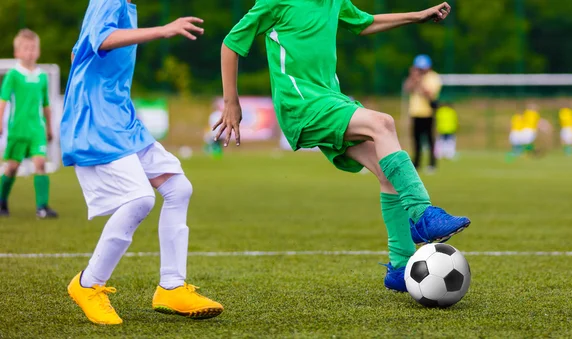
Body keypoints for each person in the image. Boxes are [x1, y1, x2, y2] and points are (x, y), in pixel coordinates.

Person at [215, 0, 470, 294]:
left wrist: (417, 16)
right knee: (383, 124)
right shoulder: (276, 2)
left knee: (385, 170)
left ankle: (400, 266)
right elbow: (231, 44)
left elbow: (365, 23)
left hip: (329, 100)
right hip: (301, 105)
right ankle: (423, 213)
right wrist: (231, 102)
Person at [62, 0, 222, 325]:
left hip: (120, 117)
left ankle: (171, 287)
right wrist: (163, 30)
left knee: (179, 188)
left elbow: (83, 47)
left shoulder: (126, 6)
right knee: (140, 199)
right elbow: (101, 38)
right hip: (96, 122)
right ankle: (88, 283)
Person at [0, 29, 58, 218]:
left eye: (33, 48)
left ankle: (42, 207)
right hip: (18, 129)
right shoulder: (13, 75)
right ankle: (1, 201)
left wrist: (49, 127)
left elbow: (46, 105)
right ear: (17, 52)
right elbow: (3, 100)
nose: (30, 52)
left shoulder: (42, 77)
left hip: (37, 130)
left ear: (38, 51)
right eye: (26, 48)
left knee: (40, 163)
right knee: (12, 167)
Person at [403, 54, 442, 173]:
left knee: (430, 140)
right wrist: (412, 78)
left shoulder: (434, 77)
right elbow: (407, 89)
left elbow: (429, 94)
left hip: (428, 113)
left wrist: (419, 81)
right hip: (415, 113)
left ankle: (432, 163)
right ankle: (417, 163)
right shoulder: (414, 77)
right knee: (416, 140)